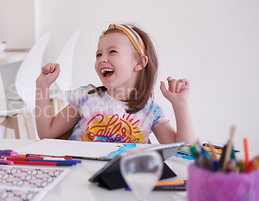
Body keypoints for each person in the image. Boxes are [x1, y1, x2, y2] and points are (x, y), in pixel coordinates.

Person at [35, 23, 195, 144]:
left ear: (139, 62)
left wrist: (180, 105)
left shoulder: (150, 111)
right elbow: (46, 133)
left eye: (112, 51)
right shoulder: (86, 97)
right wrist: (42, 87)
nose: (102, 59)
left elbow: (183, 151)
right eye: (98, 54)